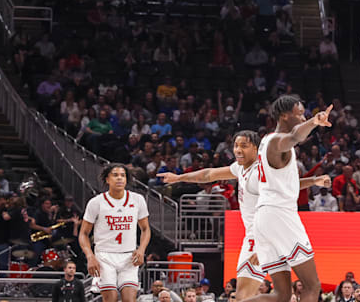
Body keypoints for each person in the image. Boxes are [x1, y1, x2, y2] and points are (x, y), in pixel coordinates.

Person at [158, 131, 329, 301]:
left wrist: (263, 244)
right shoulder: (240, 167)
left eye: (244, 146)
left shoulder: (259, 173)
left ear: (256, 149)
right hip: (255, 236)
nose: (238, 149)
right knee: (256, 296)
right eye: (236, 145)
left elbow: (287, 189)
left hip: (261, 235)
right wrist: (179, 177)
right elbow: (209, 174)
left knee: (265, 294)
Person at [239, 96, 333, 302]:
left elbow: (285, 185)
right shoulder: (277, 141)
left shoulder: (265, 142)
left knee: (281, 295)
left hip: (265, 217)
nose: (303, 117)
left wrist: (314, 180)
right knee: (312, 285)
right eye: (299, 114)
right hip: (280, 215)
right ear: (284, 116)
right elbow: (294, 136)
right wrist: (314, 122)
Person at [79, 164, 152, 302]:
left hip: (129, 256)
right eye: (115, 175)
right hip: (105, 256)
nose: (119, 178)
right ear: (107, 179)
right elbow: (83, 233)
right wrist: (90, 256)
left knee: (129, 300)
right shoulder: (96, 202)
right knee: (110, 299)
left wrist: (141, 250)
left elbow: (145, 229)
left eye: (123, 175)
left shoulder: (137, 200)